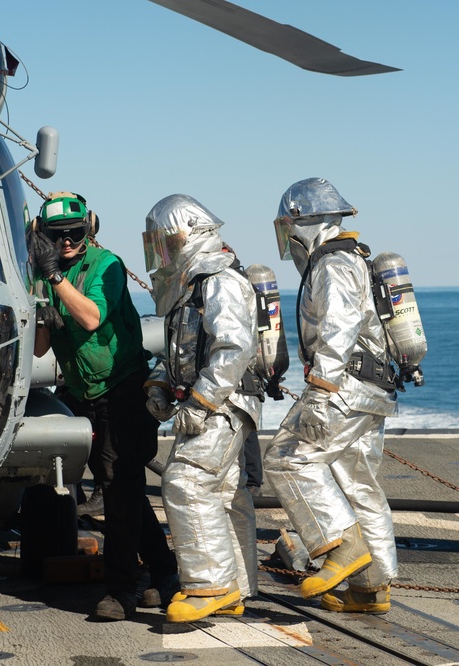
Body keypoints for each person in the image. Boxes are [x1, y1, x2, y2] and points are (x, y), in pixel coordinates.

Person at [29, 191, 178, 621]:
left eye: (75, 234)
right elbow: (41, 349)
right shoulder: (44, 273)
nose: (68, 243)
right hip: (80, 392)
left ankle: (122, 590)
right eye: (57, 237)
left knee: (118, 490)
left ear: (88, 229)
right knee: (123, 490)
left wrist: (54, 278)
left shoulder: (106, 265)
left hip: (121, 389)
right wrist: (44, 314)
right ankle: (166, 576)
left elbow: (92, 317)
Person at [263, 177, 399, 615]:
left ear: (305, 224)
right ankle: (372, 586)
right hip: (373, 388)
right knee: (358, 484)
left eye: (289, 227)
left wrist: (321, 390)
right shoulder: (353, 258)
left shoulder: (332, 264)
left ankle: (341, 549)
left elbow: (339, 326)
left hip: (344, 385)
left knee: (287, 458)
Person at [142, 194, 261, 623]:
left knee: (186, 481)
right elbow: (181, 351)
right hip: (217, 401)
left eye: (167, 242)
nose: (163, 253)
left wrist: (202, 401)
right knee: (226, 494)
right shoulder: (194, 285)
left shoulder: (219, 280)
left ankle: (209, 585)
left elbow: (234, 346)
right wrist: (158, 382)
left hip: (222, 403)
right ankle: (236, 587)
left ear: (190, 236)